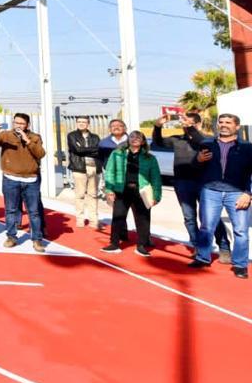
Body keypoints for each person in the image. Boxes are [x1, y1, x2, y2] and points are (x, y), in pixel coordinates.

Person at [153, 112, 230, 260]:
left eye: (190, 123)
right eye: (184, 123)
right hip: (182, 182)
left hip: (205, 183)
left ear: (198, 124)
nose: (186, 126)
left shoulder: (209, 139)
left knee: (210, 217)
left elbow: (200, 141)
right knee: (189, 217)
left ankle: (224, 247)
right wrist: (158, 126)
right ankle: (198, 246)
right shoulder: (177, 140)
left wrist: (191, 129)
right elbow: (157, 142)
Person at [189, 113, 252, 279]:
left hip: (238, 193)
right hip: (210, 191)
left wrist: (248, 193)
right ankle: (202, 258)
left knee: (241, 231)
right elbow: (195, 167)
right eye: (221, 122)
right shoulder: (207, 143)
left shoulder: (247, 147)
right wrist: (198, 160)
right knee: (206, 227)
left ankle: (240, 265)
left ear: (237, 127)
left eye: (228, 122)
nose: (224, 125)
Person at [0, 113, 46, 253]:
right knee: (11, 210)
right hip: (11, 178)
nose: (18, 126)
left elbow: (41, 154)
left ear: (27, 125)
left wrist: (27, 140)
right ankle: (11, 237)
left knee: (34, 211)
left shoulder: (35, 137)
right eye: (16, 123)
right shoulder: (6, 135)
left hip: (31, 179)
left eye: (21, 123)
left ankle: (37, 239)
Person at [102, 130, 161, 256]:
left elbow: (156, 178)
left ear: (143, 141)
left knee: (143, 219)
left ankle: (141, 245)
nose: (135, 139)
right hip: (122, 190)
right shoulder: (117, 154)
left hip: (141, 192)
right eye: (132, 136)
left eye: (138, 137)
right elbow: (110, 172)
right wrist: (109, 189)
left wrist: (156, 196)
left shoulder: (150, 158)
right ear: (128, 140)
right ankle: (114, 244)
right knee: (118, 217)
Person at [67, 116, 103, 231]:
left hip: (94, 168)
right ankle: (80, 218)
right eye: (79, 122)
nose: (81, 124)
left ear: (88, 124)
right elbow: (77, 150)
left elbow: (99, 151)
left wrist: (83, 149)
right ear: (76, 123)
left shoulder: (95, 137)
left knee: (93, 195)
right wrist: (91, 149)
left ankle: (93, 219)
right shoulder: (72, 136)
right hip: (79, 168)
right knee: (80, 194)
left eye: (84, 122)